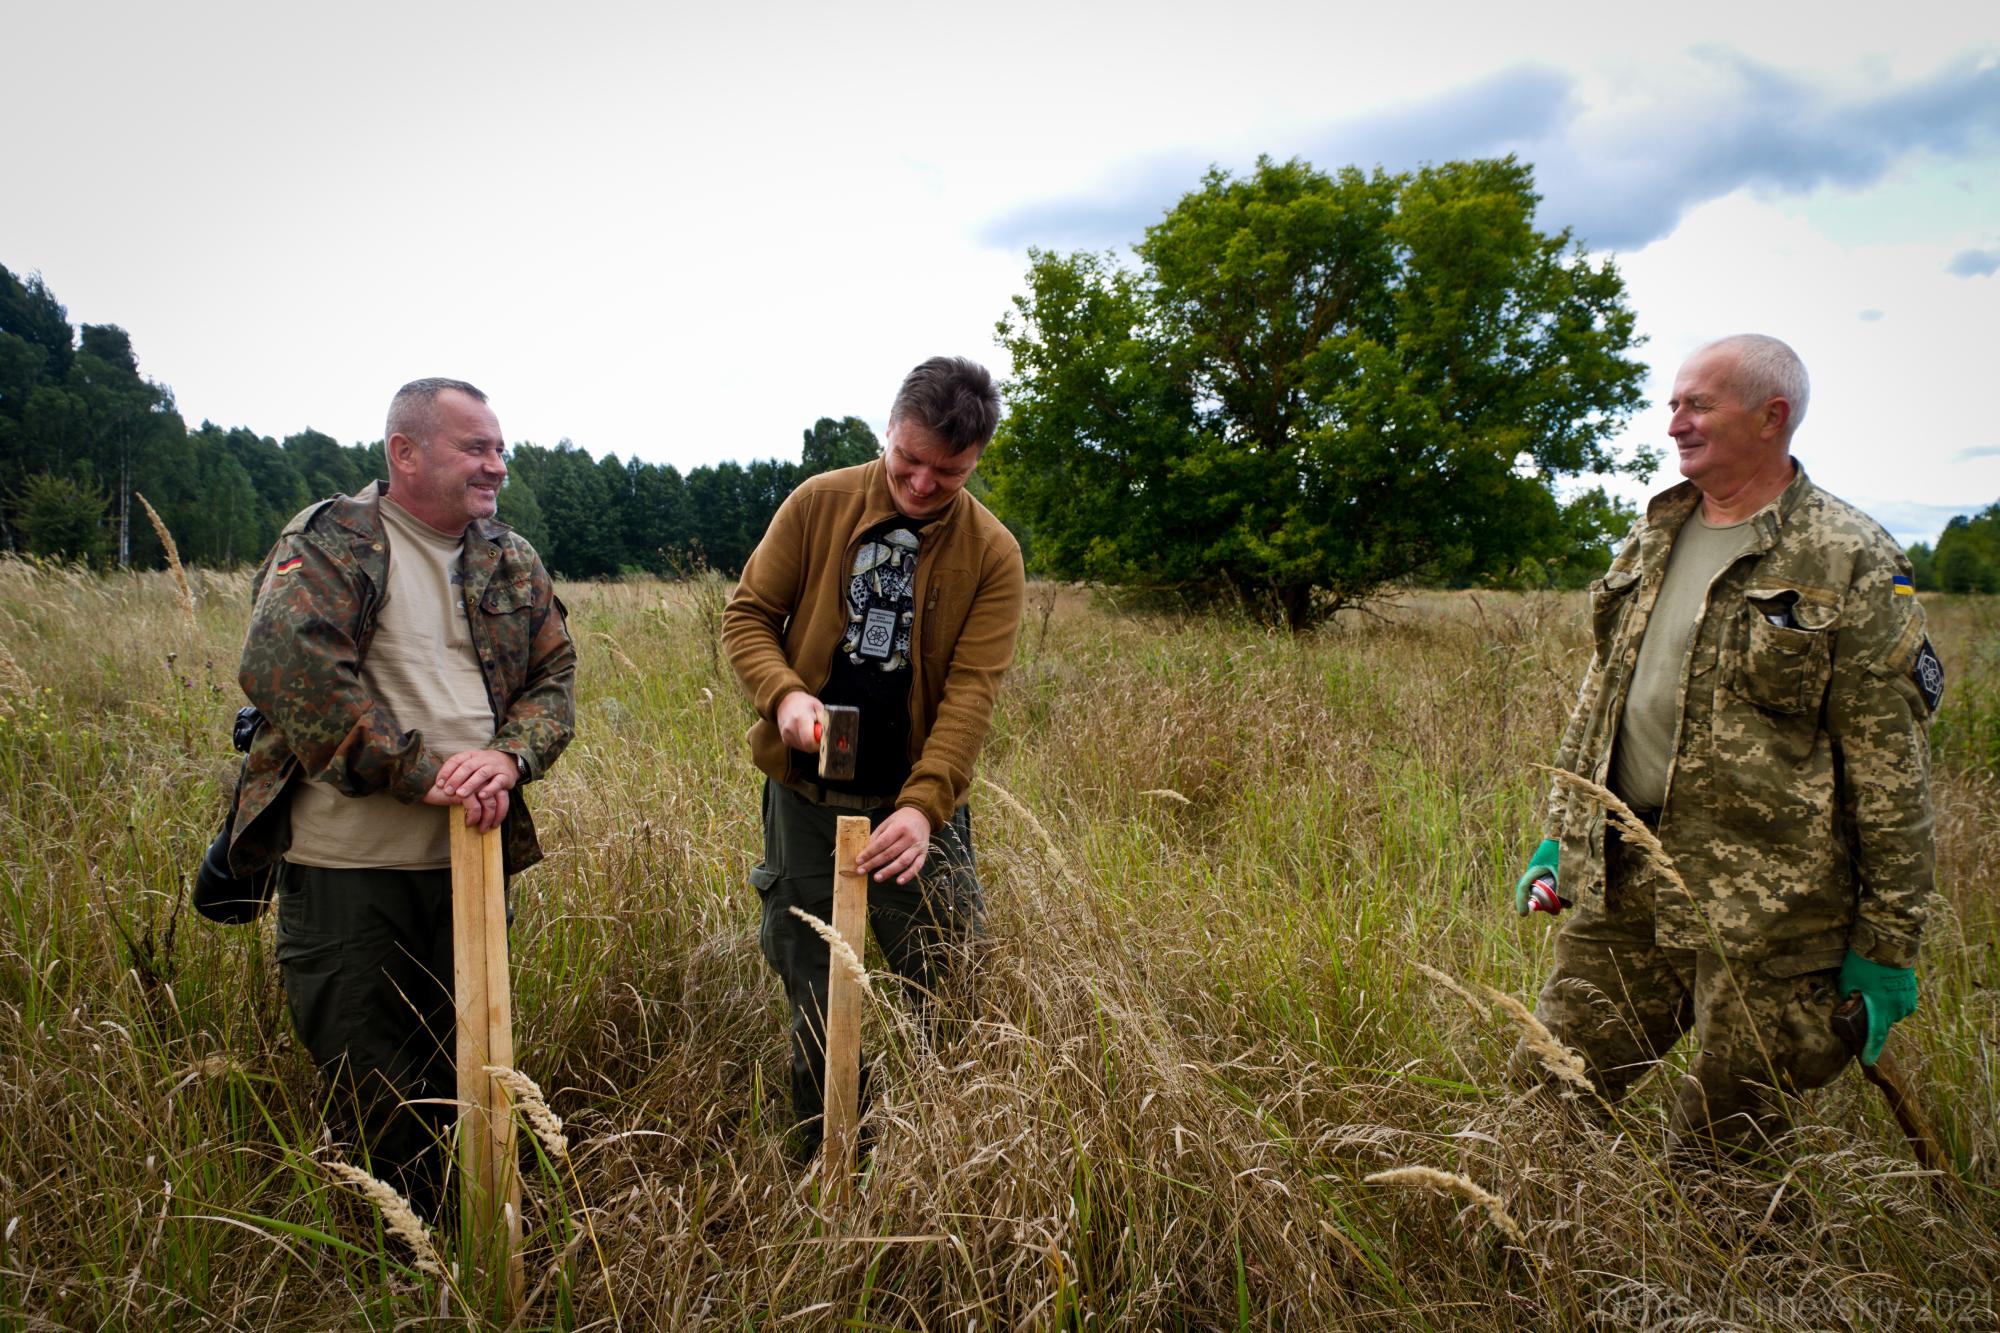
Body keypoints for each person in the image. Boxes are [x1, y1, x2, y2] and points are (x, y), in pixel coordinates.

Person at [1512, 334, 1941, 1161]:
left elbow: (1891, 770)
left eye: (1698, 403)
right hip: (1624, 873)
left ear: (1770, 416)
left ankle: (1724, 1291)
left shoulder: (1849, 556)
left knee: (1725, 1152)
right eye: (1674, 402)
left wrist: (1887, 947)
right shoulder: (1653, 535)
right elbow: (1601, 696)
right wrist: (1560, 834)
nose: (1674, 422)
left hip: (1769, 913)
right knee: (1547, 1102)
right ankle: (1528, 1280)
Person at [228, 378, 576, 1215]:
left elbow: (554, 680)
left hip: (470, 864)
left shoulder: (510, 555)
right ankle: (401, 1271)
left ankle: (478, 1244)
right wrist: (429, 777)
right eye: (476, 448)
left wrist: (508, 760)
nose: (497, 463)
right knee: (371, 1085)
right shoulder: (331, 540)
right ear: (405, 452)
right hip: (351, 868)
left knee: (472, 1067)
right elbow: (294, 674)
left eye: (499, 446)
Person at [722, 355, 1025, 1157]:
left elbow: (971, 696)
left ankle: (940, 1166)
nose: (923, 484)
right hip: (807, 805)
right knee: (817, 997)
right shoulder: (818, 503)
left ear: (977, 460)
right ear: (888, 430)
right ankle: (824, 1164)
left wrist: (925, 809)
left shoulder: (993, 555)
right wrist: (784, 695)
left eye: (948, 472)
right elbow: (748, 615)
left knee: (952, 991)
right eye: (910, 461)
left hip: (914, 815)